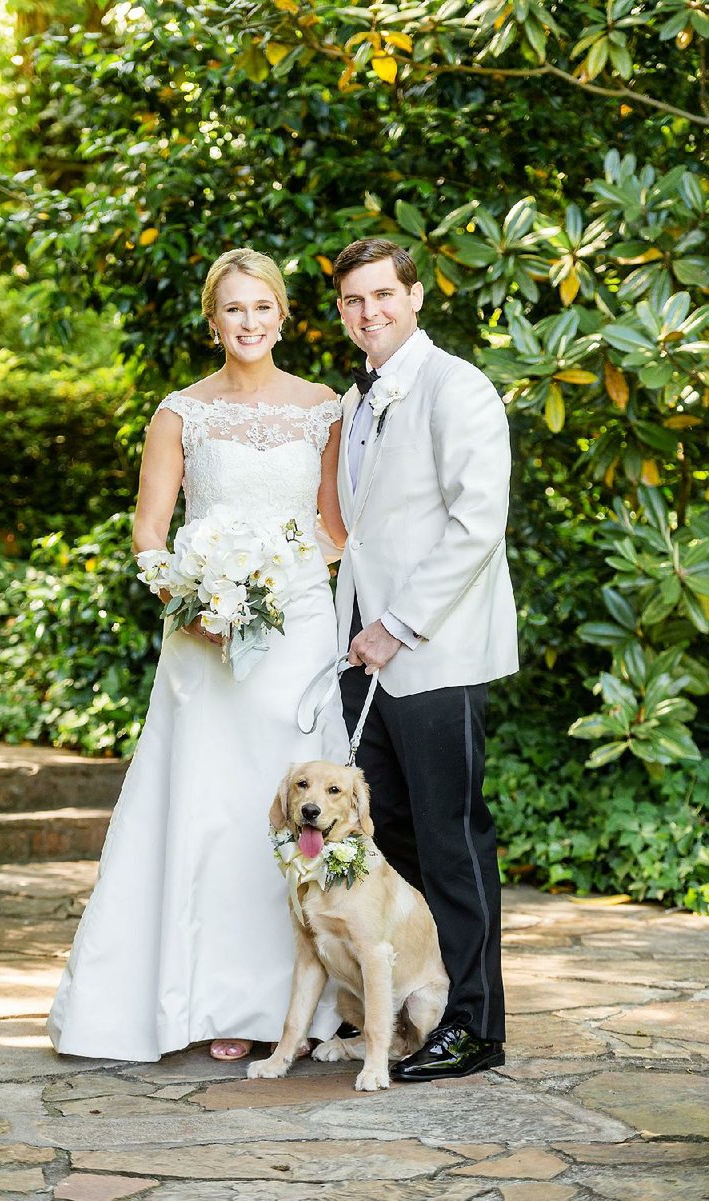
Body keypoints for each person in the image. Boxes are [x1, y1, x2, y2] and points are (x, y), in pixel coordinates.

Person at [47, 248, 349, 1063]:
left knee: (298, 813)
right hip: (203, 639)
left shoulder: (324, 408)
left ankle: (305, 1001)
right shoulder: (181, 411)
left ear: (284, 314)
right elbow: (150, 530)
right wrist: (199, 597)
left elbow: (335, 527)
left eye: (262, 307)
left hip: (295, 633)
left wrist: (267, 583)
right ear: (211, 321)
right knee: (211, 811)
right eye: (233, 310)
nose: (248, 323)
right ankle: (216, 995)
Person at [332, 237, 519, 1081]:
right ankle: (416, 1004)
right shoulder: (352, 399)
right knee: (392, 837)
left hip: (434, 651)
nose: (369, 312)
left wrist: (397, 625)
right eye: (353, 301)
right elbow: (360, 533)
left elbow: (478, 522)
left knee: (452, 840)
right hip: (365, 661)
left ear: (414, 297)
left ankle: (476, 1026)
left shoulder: (458, 386)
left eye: (383, 295)